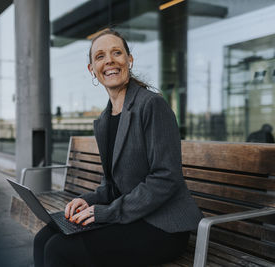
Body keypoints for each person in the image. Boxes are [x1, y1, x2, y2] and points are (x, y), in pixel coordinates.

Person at [33, 29, 203, 267]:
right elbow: (112, 185)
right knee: (43, 239)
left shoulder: (152, 105)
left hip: (163, 226)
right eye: (100, 56)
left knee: (60, 250)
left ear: (129, 60)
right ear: (92, 69)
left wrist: (105, 213)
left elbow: (166, 178)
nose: (109, 60)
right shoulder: (105, 119)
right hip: (133, 215)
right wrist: (88, 200)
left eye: (117, 53)